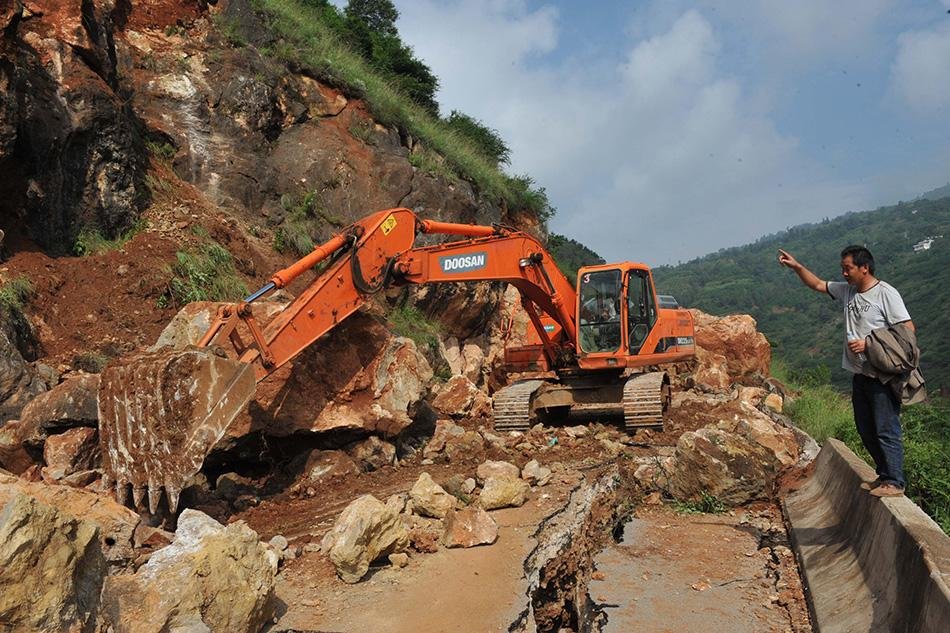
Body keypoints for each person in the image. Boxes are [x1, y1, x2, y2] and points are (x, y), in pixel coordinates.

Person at [778, 245, 914, 497]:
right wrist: (797, 267)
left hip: (881, 375)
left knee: (886, 428)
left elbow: (908, 330)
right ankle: (884, 475)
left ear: (865, 267)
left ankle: (895, 482)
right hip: (860, 374)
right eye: (842, 268)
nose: (844, 273)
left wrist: (870, 343)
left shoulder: (885, 294)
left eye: (848, 268)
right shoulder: (848, 291)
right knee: (865, 428)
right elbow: (818, 284)